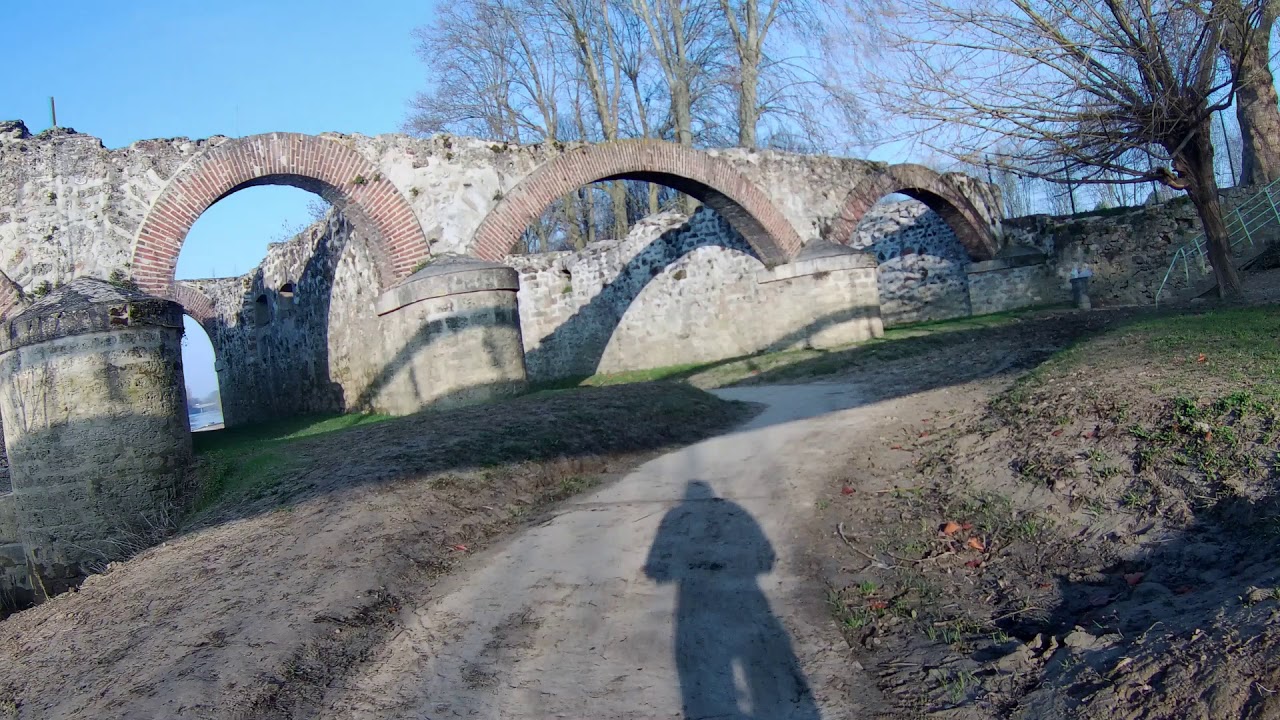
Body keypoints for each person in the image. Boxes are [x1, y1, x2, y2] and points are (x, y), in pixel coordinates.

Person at [644, 480, 821, 719]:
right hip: (745, 599)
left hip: (694, 601)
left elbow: (656, 567)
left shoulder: (674, 516)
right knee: (760, 662)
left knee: (707, 667)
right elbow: (766, 557)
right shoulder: (737, 511)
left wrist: (662, 569)